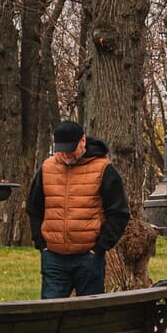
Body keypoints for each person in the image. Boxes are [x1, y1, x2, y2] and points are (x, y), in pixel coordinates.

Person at [25, 119, 129, 298]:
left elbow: (118, 213)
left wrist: (99, 248)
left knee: (88, 311)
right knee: (52, 311)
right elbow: (34, 208)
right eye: (61, 150)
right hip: (53, 256)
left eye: (70, 149)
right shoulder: (47, 168)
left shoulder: (103, 169)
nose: (66, 154)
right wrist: (42, 245)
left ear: (83, 141)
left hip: (89, 258)